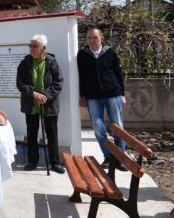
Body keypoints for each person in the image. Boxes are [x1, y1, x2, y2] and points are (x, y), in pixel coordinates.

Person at [77, 27, 127, 171]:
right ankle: (108, 156)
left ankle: (120, 157)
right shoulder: (83, 54)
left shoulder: (110, 52)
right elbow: (81, 76)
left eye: (95, 37)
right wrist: (83, 95)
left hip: (113, 94)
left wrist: (122, 94)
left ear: (101, 38)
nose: (92, 40)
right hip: (93, 97)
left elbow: (119, 73)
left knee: (117, 127)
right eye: (89, 38)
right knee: (98, 127)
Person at [16, 34, 65, 174]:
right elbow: (20, 84)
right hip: (31, 104)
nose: (31, 48)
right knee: (32, 133)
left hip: (49, 105)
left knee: (52, 134)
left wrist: (45, 95)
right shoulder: (25, 63)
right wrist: (34, 94)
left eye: (35, 46)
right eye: (30, 46)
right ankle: (32, 161)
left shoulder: (52, 62)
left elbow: (58, 83)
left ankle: (55, 162)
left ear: (44, 48)